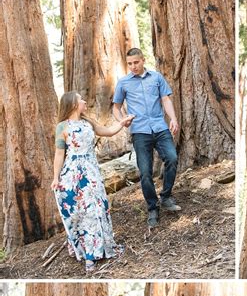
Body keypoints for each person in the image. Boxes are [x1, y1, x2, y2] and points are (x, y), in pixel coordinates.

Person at [52, 91, 134, 273]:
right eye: (80, 99)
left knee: (97, 207)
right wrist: (56, 177)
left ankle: (99, 249)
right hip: (72, 173)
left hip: (91, 171)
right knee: (78, 212)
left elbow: (107, 131)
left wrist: (122, 123)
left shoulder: (88, 123)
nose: (84, 101)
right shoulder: (62, 127)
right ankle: (83, 249)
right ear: (73, 104)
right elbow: (59, 154)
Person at [113, 48, 181, 228]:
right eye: (129, 64)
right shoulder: (123, 83)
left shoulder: (156, 77)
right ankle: (152, 208)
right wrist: (122, 121)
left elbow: (165, 99)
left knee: (172, 158)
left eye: (136, 62)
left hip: (159, 127)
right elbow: (116, 107)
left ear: (143, 60)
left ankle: (166, 197)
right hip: (140, 131)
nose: (133, 66)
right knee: (145, 172)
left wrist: (173, 118)